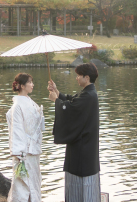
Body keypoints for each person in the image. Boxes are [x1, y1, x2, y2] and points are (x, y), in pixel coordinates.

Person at [47, 63, 101, 202]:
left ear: (87, 77)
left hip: (83, 148)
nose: (76, 78)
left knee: (82, 189)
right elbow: (73, 101)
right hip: (84, 146)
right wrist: (57, 93)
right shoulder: (88, 93)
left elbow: (71, 109)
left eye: (78, 75)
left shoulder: (89, 95)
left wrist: (56, 100)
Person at [7, 73, 45, 202]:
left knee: (34, 180)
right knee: (22, 183)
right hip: (23, 150)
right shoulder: (17, 105)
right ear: (22, 86)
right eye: (30, 82)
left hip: (33, 148)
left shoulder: (30, 102)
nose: (32, 85)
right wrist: (19, 153)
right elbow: (17, 130)